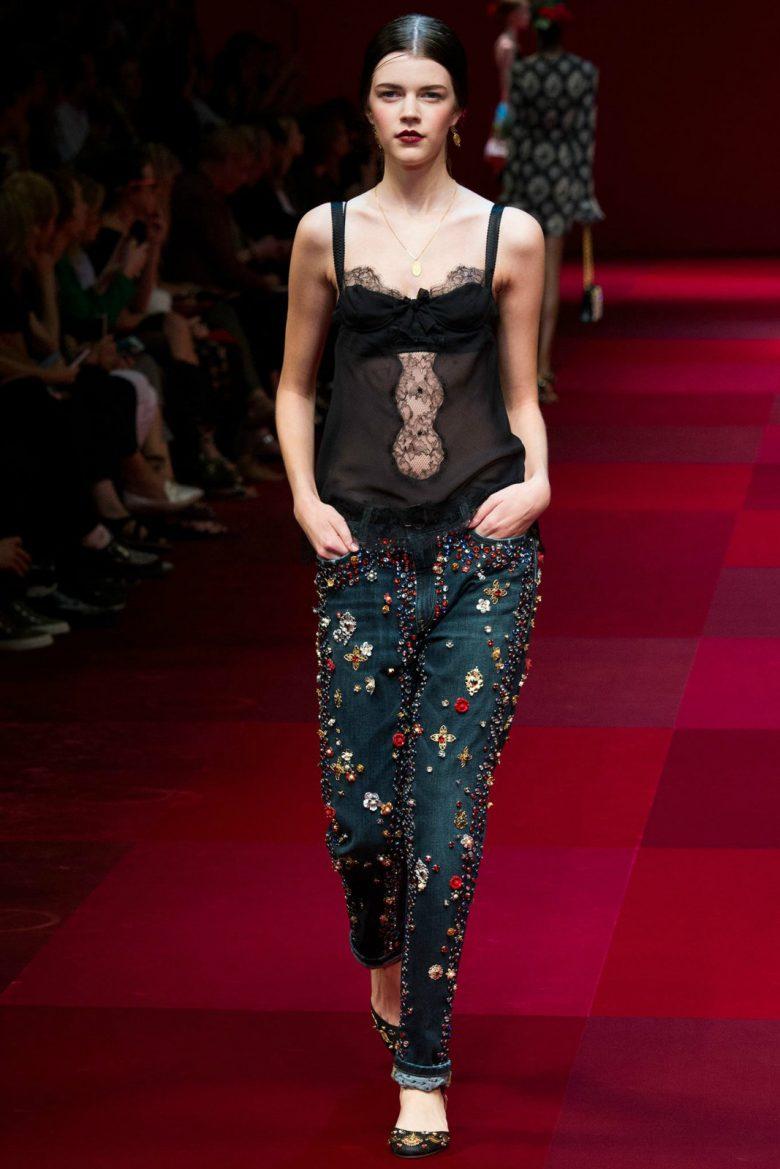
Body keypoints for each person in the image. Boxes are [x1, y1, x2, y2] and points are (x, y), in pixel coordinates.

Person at [275, 13, 550, 1157]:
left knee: (445, 822)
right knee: (360, 823)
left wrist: (541, 483)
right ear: (368, 106)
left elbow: (525, 393)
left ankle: (423, 1068)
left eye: (429, 92)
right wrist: (303, 499)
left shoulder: (512, 234)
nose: (409, 110)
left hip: (485, 553)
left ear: (459, 110)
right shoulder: (325, 231)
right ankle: (381, 955)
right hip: (359, 555)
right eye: (391, 91)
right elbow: (295, 385)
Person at [500, 1, 604, 401]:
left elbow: (513, 131)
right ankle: (541, 369)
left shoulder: (523, 73)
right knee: (548, 275)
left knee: (519, 275)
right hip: (561, 179)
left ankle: (517, 371)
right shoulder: (583, 73)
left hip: (527, 176)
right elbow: (585, 137)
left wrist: (509, 187)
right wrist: (585, 194)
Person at [484, 0, 532, 174]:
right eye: (524, 12)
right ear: (512, 16)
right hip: (510, 109)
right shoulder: (507, 46)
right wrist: (502, 120)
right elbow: (506, 88)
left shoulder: (512, 43)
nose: (528, 16)